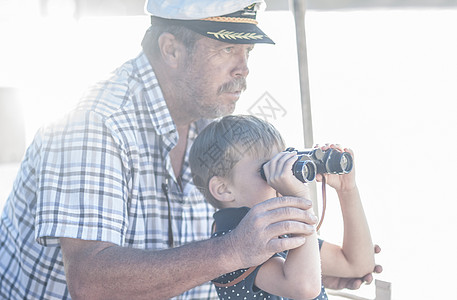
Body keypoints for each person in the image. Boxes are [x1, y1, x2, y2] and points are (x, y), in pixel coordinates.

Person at [0, 1, 380, 299]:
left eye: (248, 52)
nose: (244, 69)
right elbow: (90, 282)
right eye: (227, 50)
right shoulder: (95, 124)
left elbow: (216, 256)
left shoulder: (214, 123)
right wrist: (235, 250)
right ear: (171, 49)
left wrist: (301, 263)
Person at [189, 115, 375, 299]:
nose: (281, 175)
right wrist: (298, 197)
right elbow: (303, 288)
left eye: (283, 163)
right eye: (267, 169)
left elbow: (356, 266)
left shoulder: (283, 230)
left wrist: (347, 190)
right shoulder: (229, 246)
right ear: (224, 189)